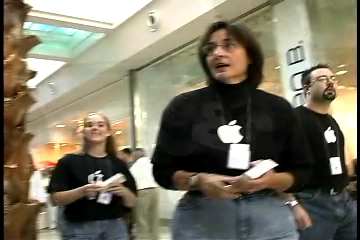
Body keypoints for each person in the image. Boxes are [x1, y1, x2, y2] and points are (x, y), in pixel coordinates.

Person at [151, 20, 313, 240]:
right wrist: (197, 180)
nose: (217, 53)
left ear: (250, 56)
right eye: (210, 49)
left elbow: (302, 172)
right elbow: (162, 172)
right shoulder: (182, 106)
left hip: (268, 218)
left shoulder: (278, 108)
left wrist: (269, 181)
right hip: (202, 219)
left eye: (229, 45)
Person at [287, 64, 357, 240]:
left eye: (333, 78)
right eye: (323, 79)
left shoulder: (331, 121)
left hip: (343, 200)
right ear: (307, 88)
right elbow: (281, 165)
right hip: (313, 203)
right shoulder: (295, 119)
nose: (330, 82)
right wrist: (293, 204)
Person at [48, 112, 137, 240]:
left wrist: (123, 191)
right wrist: (81, 191)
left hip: (115, 228)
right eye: (89, 125)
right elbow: (55, 199)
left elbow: (132, 202)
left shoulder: (118, 164)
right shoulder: (68, 162)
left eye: (100, 125)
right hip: (79, 228)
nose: (95, 128)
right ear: (83, 131)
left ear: (108, 132)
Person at [130, 148, 160, 240]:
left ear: (135, 156)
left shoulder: (135, 166)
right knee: (153, 219)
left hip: (142, 191)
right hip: (155, 190)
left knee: (141, 220)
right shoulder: (151, 163)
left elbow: (130, 181)